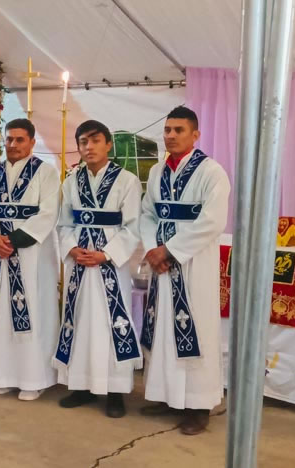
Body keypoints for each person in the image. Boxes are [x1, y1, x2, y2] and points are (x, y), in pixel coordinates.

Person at [139, 106, 230, 435]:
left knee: (197, 329)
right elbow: (147, 214)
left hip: (194, 264)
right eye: (167, 130)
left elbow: (212, 221)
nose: (171, 135)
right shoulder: (157, 171)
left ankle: (198, 405)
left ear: (195, 135)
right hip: (161, 265)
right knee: (163, 328)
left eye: (179, 130)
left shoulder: (212, 172)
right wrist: (153, 249)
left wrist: (170, 251)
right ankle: (167, 395)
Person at [54, 120, 143, 418]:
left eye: (95, 140)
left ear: (108, 144)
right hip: (80, 262)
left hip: (110, 265)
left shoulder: (127, 180)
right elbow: (64, 223)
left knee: (110, 322)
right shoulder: (71, 181)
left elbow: (132, 226)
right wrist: (71, 248)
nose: (89, 147)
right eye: (83, 142)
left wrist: (106, 254)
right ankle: (81, 385)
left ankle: (115, 391)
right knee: (79, 320)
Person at [0, 118, 60, 400]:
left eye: (19, 139)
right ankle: (1, 376)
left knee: (33, 313)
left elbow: (48, 213)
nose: (13, 144)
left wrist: (11, 241)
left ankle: (34, 379)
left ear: (32, 142)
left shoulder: (46, 173)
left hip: (31, 256)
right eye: (9, 139)